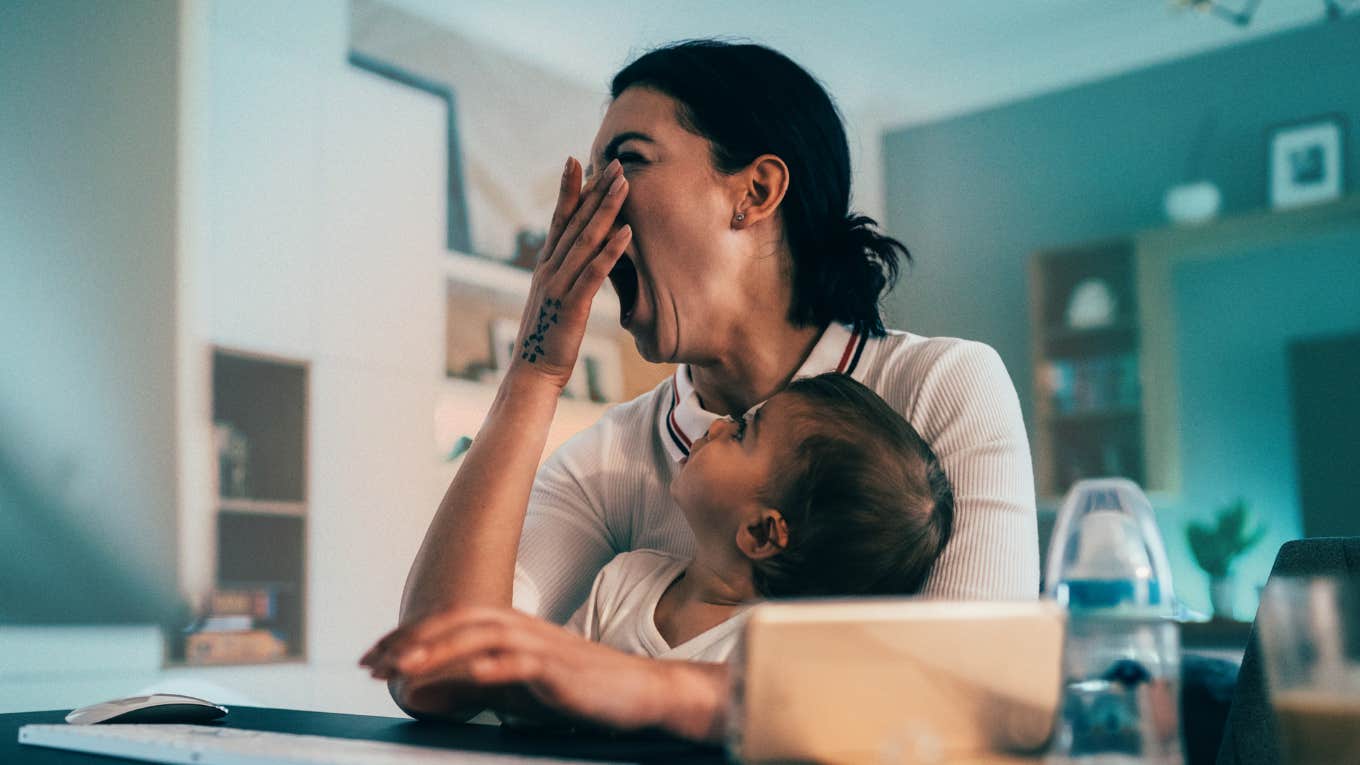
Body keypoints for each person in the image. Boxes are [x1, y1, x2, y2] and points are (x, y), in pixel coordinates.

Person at [361, 39, 1037, 741]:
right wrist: (534, 372)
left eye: (626, 162)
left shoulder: (943, 386)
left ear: (756, 192)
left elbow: (979, 696)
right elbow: (432, 672)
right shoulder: (610, 459)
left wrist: (645, 686)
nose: (591, 206)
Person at [565, 372, 955, 663]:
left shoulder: (776, 658)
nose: (717, 425)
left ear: (760, 533)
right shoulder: (622, 580)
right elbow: (539, 697)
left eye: (740, 435)